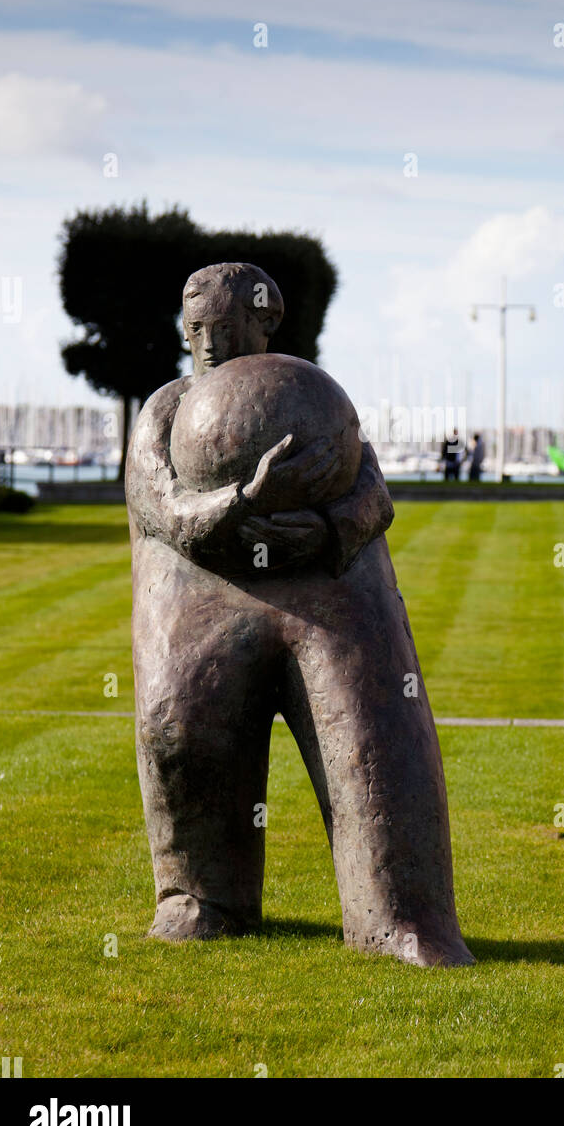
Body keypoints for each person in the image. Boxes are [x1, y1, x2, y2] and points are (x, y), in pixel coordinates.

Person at [125, 262, 473, 967]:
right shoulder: (166, 408)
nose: (208, 345)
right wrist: (241, 501)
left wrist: (329, 529)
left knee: (375, 735)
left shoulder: (307, 402)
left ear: (265, 321)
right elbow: (160, 505)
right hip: (201, 593)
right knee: (181, 730)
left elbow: (374, 492)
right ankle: (201, 897)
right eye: (195, 331)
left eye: (223, 329)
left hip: (330, 589)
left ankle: (399, 915)